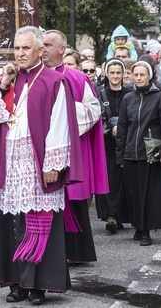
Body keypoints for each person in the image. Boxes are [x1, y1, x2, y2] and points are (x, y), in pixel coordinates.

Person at [0, 26, 82, 305]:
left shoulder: (54, 81)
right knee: (8, 222)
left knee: (34, 221)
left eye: (25, 48)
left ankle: (38, 286)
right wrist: (4, 82)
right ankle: (15, 282)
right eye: (17, 48)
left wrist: (53, 163)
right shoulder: (8, 79)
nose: (19, 53)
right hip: (7, 161)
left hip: (35, 161)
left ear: (41, 51)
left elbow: (60, 124)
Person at [42, 30, 107, 264]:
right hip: (39, 151)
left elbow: (93, 111)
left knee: (72, 201)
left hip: (71, 148)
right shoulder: (32, 76)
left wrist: (64, 114)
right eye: (41, 45)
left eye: (48, 45)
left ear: (62, 49)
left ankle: (76, 252)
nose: (43, 50)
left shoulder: (78, 78)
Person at [116, 61, 161, 246]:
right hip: (131, 151)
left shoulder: (160, 97)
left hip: (150, 150)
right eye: (135, 75)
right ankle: (138, 226)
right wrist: (120, 154)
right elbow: (122, 127)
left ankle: (146, 230)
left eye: (142, 75)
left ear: (150, 76)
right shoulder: (128, 98)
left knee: (148, 193)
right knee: (134, 192)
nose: (138, 78)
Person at [96, 59, 131, 233]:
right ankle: (110, 215)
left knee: (124, 179)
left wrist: (123, 129)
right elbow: (96, 117)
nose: (115, 76)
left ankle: (121, 215)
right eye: (112, 73)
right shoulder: (100, 94)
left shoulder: (129, 93)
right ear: (106, 74)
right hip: (107, 143)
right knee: (110, 179)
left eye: (119, 73)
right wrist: (109, 130)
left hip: (126, 143)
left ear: (123, 74)